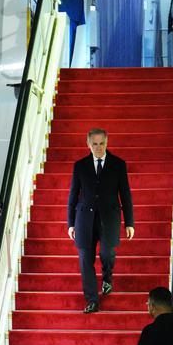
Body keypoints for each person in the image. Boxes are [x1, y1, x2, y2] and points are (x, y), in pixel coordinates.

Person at [67, 128, 135, 313]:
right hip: (84, 220)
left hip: (109, 219)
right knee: (85, 261)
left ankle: (107, 278)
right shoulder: (80, 166)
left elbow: (125, 194)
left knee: (107, 254)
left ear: (107, 143)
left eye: (101, 143)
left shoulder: (118, 164)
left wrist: (129, 222)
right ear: (88, 144)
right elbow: (73, 195)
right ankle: (92, 300)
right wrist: (71, 223)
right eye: (94, 144)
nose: (98, 147)